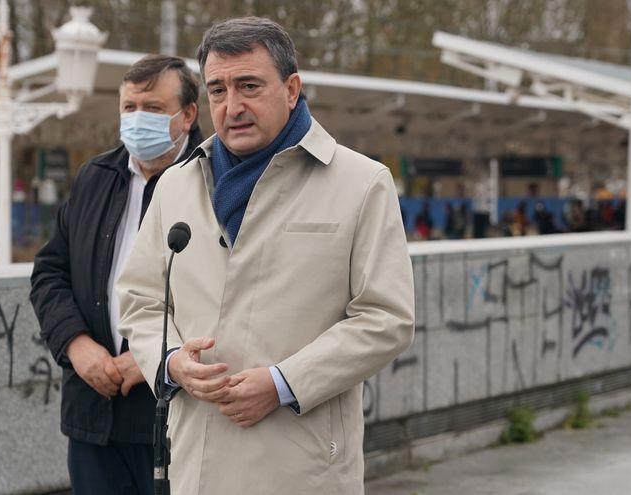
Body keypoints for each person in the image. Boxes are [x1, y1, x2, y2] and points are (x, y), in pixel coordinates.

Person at [116, 17, 415, 495]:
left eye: (249, 86)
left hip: (303, 464)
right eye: (217, 90)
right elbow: (139, 299)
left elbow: (387, 317)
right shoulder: (175, 184)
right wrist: (171, 361)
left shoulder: (363, 183)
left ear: (291, 89)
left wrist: (283, 383)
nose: (232, 106)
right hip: (197, 460)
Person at [29, 55, 202, 494]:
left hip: (174, 418)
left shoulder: (214, 183)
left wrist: (152, 357)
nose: (138, 119)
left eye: (154, 108)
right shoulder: (95, 177)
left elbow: (231, 293)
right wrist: (75, 343)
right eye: (130, 107)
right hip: (93, 414)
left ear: (188, 116)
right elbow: (50, 272)